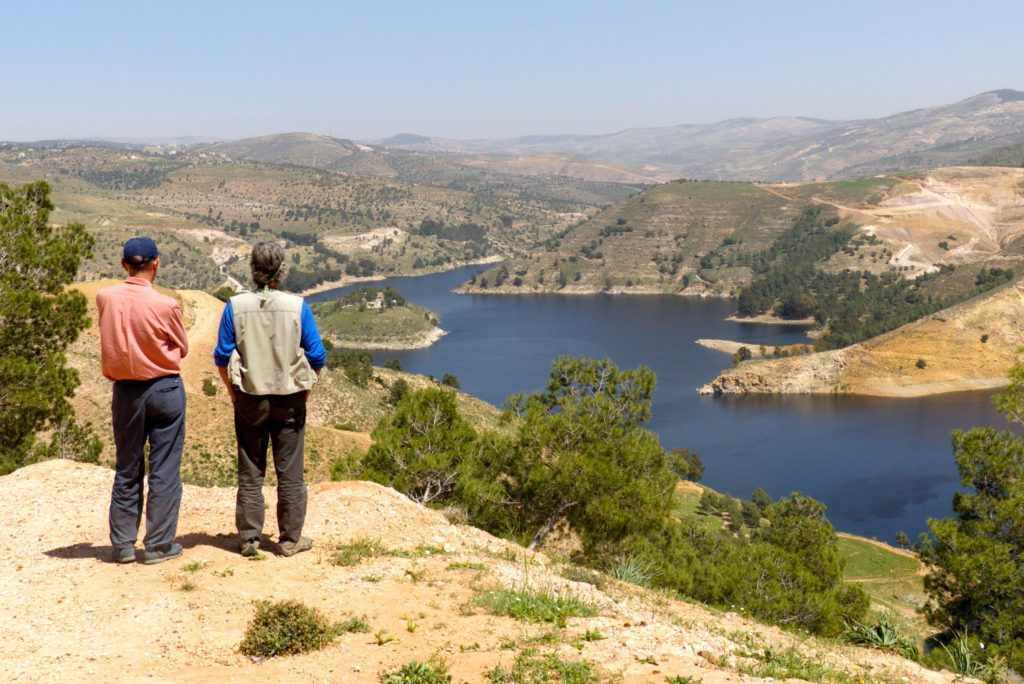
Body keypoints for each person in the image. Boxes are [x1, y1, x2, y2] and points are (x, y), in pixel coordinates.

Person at [213, 241, 326, 557]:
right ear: (282, 271)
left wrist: (231, 390)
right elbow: (317, 355)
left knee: (251, 468)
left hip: (249, 397)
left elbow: (222, 357)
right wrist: (307, 387)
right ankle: (290, 540)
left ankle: (249, 538)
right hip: (290, 398)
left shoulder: (235, 307)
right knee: (290, 471)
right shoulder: (297, 306)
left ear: (252, 270)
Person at [96, 237, 189, 565]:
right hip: (165, 390)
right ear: (156, 263)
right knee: (164, 468)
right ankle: (158, 545)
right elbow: (182, 346)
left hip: (126, 392)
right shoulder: (166, 305)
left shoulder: (105, 297)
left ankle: (122, 545)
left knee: (128, 466)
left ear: (124, 265)